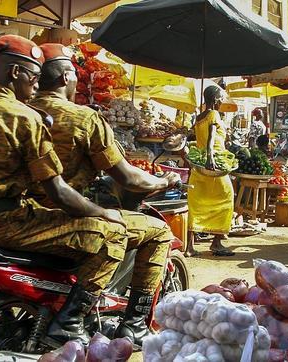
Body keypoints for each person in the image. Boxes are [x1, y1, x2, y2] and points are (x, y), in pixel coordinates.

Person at [0, 35, 130, 347]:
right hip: (9, 222)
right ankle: (70, 323)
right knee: (112, 236)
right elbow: (57, 190)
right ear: (15, 73)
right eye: (32, 76)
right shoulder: (24, 117)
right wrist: (104, 213)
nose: (35, 84)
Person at [27, 43, 180, 346]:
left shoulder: (20, 112)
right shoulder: (83, 118)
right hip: (64, 217)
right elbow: (126, 177)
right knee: (159, 232)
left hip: (21, 216)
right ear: (65, 78)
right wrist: (163, 181)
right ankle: (132, 325)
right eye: (73, 75)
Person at [186, 85, 235, 256]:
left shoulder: (199, 117)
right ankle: (216, 242)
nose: (222, 101)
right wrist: (210, 156)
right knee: (227, 198)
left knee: (196, 204)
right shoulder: (214, 114)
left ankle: (189, 247)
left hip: (199, 167)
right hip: (213, 166)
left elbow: (196, 137)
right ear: (215, 99)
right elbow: (212, 136)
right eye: (221, 98)